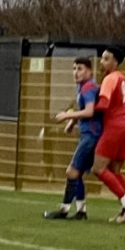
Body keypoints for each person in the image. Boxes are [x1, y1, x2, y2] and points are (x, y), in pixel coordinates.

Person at [45, 57, 102, 221]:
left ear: (90, 71)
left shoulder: (88, 88)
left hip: (91, 136)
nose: (76, 72)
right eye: (74, 68)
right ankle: (81, 211)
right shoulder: (83, 87)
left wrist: (67, 115)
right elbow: (83, 109)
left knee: (71, 172)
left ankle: (64, 210)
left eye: (80, 69)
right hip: (89, 135)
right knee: (76, 174)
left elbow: (90, 111)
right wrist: (73, 121)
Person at [89, 47, 125, 224]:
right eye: (102, 58)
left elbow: (104, 104)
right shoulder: (122, 78)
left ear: (115, 62)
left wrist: (86, 112)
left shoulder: (110, 79)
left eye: (106, 59)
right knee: (114, 170)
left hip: (114, 127)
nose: (102, 62)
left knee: (98, 168)